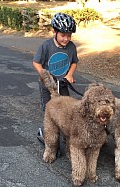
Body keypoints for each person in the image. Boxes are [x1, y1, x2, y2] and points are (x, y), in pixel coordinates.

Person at [32, 12, 79, 143]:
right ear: (54, 31)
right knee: (50, 110)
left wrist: (70, 74)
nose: (66, 39)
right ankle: (47, 135)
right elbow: (36, 62)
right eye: (63, 35)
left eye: (69, 35)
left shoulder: (71, 47)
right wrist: (44, 75)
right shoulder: (46, 46)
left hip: (63, 83)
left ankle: (65, 132)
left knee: (67, 107)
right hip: (48, 85)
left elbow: (74, 62)